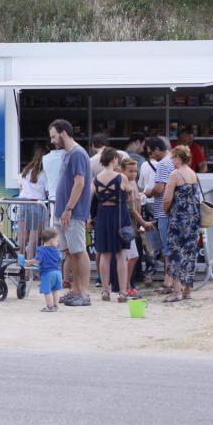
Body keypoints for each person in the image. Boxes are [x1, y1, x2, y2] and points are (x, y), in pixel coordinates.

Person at [49, 119, 92, 306]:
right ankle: (76, 290)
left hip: (72, 213)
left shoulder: (77, 154)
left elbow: (80, 183)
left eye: (53, 136)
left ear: (63, 132)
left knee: (79, 250)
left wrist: (69, 208)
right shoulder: (67, 154)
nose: (52, 141)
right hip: (63, 212)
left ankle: (83, 292)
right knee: (71, 252)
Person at [93, 148, 131, 303]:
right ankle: (122, 292)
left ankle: (105, 291)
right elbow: (129, 192)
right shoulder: (121, 177)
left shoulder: (96, 178)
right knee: (121, 254)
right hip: (119, 215)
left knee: (104, 254)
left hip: (103, 214)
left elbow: (96, 197)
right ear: (114, 159)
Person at [163, 146, 201, 301]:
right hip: (193, 217)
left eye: (173, 158)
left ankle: (176, 290)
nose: (172, 161)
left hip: (178, 217)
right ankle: (188, 290)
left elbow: (167, 199)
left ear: (178, 158)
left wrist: (167, 212)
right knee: (190, 253)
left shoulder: (175, 174)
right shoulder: (193, 173)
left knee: (176, 253)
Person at [144, 137, 176, 295]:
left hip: (164, 211)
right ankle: (171, 281)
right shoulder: (173, 161)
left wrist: (148, 191)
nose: (151, 156)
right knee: (170, 247)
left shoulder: (163, 164)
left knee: (166, 248)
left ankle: (168, 282)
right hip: (173, 211)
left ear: (157, 149)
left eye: (151, 152)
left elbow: (158, 189)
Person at [122, 157, 154, 296]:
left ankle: (128, 284)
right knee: (131, 256)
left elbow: (136, 205)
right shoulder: (125, 184)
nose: (133, 174)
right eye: (130, 171)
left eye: (135, 171)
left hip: (134, 225)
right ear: (123, 170)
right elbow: (131, 209)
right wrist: (143, 222)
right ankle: (126, 284)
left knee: (133, 256)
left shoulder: (133, 182)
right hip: (127, 224)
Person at [18, 145, 48, 263]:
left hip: (23, 203)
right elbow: (46, 191)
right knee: (34, 238)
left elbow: (21, 188)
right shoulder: (44, 174)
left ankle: (20, 265)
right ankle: (29, 268)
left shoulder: (25, 171)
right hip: (37, 205)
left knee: (22, 237)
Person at [30, 228, 62, 312]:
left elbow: (38, 260)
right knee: (55, 290)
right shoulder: (56, 250)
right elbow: (59, 259)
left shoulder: (41, 249)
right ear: (51, 240)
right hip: (58, 273)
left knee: (47, 291)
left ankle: (49, 306)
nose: (58, 243)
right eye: (57, 241)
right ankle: (55, 305)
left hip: (47, 273)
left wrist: (29, 262)